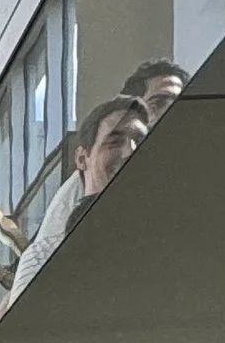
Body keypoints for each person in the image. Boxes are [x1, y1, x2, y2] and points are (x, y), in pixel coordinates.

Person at [19, 59, 186, 281]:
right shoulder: (79, 188)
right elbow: (40, 263)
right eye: (158, 104)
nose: (171, 113)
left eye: (179, 104)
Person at [7, 95, 148, 296]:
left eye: (141, 141)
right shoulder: (44, 255)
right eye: (114, 142)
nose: (130, 151)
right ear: (82, 158)